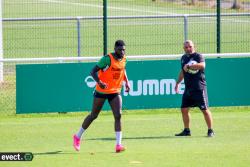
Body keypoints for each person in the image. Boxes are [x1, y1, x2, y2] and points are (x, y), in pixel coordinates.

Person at [73, 40, 130, 152]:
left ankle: (118, 145)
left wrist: (127, 82)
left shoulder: (124, 59)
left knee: (118, 115)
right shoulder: (107, 59)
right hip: (102, 91)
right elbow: (93, 71)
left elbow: (123, 70)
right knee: (93, 115)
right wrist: (99, 82)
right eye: (120, 49)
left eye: (124, 49)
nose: (122, 51)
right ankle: (77, 136)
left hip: (115, 91)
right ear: (115, 49)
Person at [174, 40, 215, 137]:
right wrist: (177, 83)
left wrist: (189, 66)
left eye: (190, 47)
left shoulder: (198, 56)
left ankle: (210, 130)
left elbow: (202, 65)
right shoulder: (183, 58)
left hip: (199, 88)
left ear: (194, 47)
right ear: (183, 48)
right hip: (188, 89)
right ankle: (186, 130)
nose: (188, 48)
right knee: (184, 109)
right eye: (186, 47)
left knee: (204, 110)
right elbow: (182, 71)